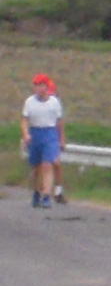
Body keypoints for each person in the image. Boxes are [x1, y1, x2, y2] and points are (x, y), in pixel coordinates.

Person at [21, 73, 65, 209]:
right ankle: (36, 192)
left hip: (50, 133)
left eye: (41, 85)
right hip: (35, 132)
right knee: (36, 168)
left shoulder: (54, 102)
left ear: (46, 87)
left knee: (47, 165)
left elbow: (59, 122)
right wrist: (26, 134)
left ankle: (46, 196)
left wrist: (61, 139)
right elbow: (24, 120)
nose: (39, 88)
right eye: (36, 85)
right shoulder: (29, 102)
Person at [45, 77, 68, 204]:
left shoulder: (56, 104)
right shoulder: (36, 103)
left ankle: (58, 192)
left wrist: (62, 139)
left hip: (52, 136)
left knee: (56, 164)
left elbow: (60, 123)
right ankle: (42, 191)